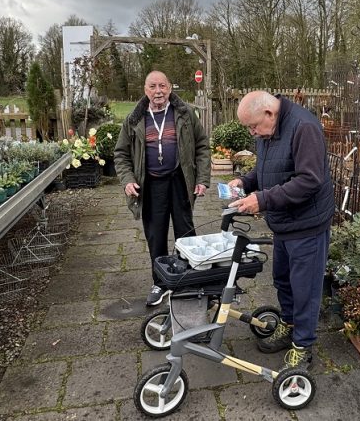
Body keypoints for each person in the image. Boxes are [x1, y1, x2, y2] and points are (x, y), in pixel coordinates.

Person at [227, 90, 334, 371]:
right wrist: (245, 182)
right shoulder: (269, 130)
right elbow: (268, 168)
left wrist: (262, 199)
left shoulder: (304, 128)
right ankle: (289, 325)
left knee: (305, 289)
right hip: (285, 223)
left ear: (269, 113)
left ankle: (303, 345)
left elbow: (308, 181)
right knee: (283, 281)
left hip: (307, 225)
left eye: (253, 126)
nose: (252, 133)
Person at [114, 71, 211, 306]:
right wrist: (127, 180)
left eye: (162, 86)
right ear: (145, 90)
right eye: (153, 86)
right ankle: (160, 283)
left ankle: (189, 280)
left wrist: (202, 179)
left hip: (179, 181)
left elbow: (202, 146)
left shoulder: (185, 113)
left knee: (185, 234)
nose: (158, 91)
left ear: (170, 87)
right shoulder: (134, 119)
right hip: (151, 185)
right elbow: (121, 153)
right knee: (155, 236)